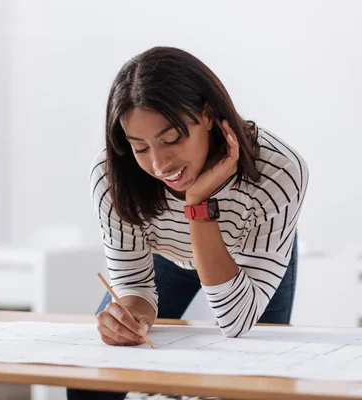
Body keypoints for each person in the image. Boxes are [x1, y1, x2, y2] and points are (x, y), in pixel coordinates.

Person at [67, 46, 308, 400]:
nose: (160, 164)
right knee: (93, 384)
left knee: (259, 382)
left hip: (244, 259)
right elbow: (134, 287)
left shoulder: (278, 170)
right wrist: (128, 319)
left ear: (208, 115)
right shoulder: (113, 175)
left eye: (172, 139)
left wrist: (197, 205)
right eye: (140, 147)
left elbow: (237, 321)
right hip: (165, 256)